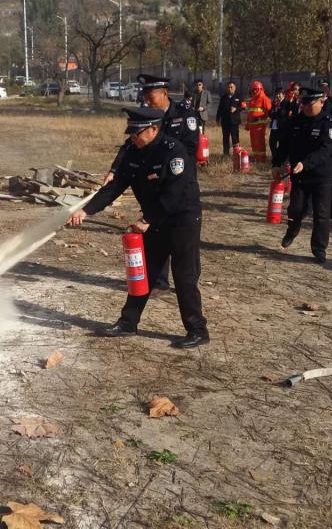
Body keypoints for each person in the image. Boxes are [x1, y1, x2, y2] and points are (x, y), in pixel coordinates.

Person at [68, 107, 209, 349]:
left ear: (154, 129)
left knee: (184, 277)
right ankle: (127, 323)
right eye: (130, 133)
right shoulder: (135, 152)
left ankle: (198, 330)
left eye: (137, 132)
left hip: (181, 220)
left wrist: (146, 220)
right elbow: (115, 187)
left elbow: (175, 194)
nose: (132, 137)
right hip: (155, 222)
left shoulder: (173, 152)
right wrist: (87, 210)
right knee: (144, 273)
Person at [106, 74, 198, 293]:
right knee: (155, 227)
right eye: (144, 95)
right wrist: (114, 169)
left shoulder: (184, 114)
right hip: (153, 181)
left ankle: (188, 281)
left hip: (179, 180)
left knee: (184, 237)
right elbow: (129, 146)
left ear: (164, 93)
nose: (147, 100)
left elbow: (191, 149)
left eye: (150, 95)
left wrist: (175, 173)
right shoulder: (145, 116)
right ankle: (158, 281)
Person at [273, 88, 332, 265]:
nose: (306, 107)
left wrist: (306, 163)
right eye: (304, 104)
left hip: (321, 176)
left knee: (321, 213)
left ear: (321, 103)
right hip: (299, 175)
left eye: (310, 104)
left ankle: (319, 249)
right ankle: (292, 231)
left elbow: (326, 150)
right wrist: (276, 164)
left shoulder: (329, 123)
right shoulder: (296, 121)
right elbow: (284, 145)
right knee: (296, 209)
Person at [243, 81, 272, 163]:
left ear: (260, 89)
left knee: (260, 143)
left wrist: (259, 120)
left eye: (256, 89)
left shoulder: (265, 99)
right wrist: (247, 125)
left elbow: (269, 114)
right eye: (253, 90)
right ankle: (256, 158)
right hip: (252, 126)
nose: (254, 91)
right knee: (254, 143)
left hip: (260, 126)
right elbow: (250, 113)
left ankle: (262, 160)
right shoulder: (252, 99)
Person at [216, 81, 243, 157]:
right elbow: (219, 109)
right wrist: (217, 118)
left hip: (234, 122)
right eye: (228, 87)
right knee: (225, 138)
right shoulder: (223, 97)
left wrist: (236, 109)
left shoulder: (238, 96)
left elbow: (243, 107)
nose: (230, 88)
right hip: (225, 122)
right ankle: (226, 153)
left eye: (231, 87)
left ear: (235, 88)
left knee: (235, 138)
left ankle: (237, 153)